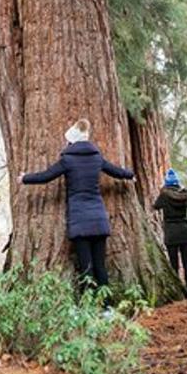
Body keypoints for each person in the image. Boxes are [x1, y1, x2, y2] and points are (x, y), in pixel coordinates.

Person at [19, 118, 134, 292]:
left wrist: (25, 178)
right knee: (100, 266)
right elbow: (115, 171)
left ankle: (90, 309)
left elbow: (46, 176)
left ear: (71, 140)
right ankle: (107, 307)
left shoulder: (68, 160)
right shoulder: (97, 158)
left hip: (80, 220)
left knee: (86, 267)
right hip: (98, 219)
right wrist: (130, 175)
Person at [153, 169, 187, 295]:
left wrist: (161, 190)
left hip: (171, 232)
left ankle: (178, 291)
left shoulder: (164, 194)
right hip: (185, 231)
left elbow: (156, 206)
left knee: (174, 263)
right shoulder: (184, 194)